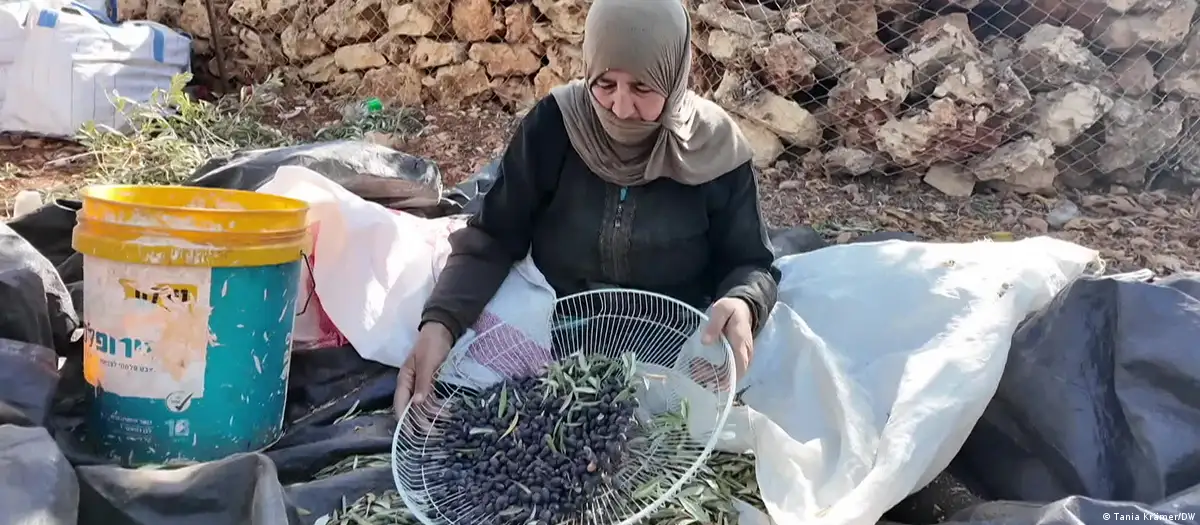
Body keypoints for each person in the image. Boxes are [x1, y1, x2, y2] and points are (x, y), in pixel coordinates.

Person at [393, 0, 781, 412]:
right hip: (559, 324)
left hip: (675, 335)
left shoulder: (715, 150)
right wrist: (440, 324)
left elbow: (749, 262)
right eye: (605, 84)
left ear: (674, 76)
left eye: (643, 88)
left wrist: (742, 302)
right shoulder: (556, 126)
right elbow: (494, 234)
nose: (621, 108)